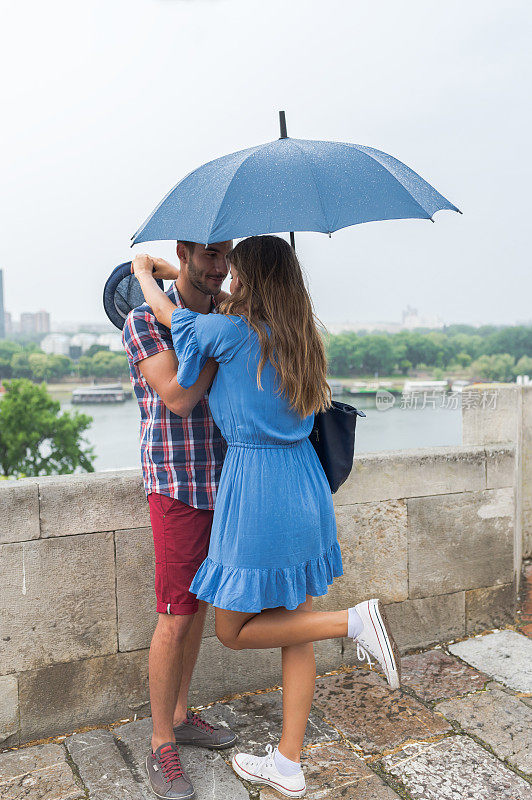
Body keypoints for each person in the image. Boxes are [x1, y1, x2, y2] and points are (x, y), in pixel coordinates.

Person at [133, 235, 401, 799]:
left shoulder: (229, 333)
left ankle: (353, 622)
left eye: (235, 268)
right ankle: (288, 761)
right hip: (305, 482)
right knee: (293, 625)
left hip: (255, 488)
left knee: (232, 630)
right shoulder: (299, 336)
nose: (226, 275)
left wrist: (141, 275)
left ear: (250, 277)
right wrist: (166, 265)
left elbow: (175, 318)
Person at [123, 240, 238, 800]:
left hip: (228, 480)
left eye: (226, 256)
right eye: (209, 256)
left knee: (198, 608)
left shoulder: (225, 314)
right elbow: (177, 395)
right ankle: (160, 743)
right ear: (185, 253)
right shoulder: (145, 320)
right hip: (176, 484)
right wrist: (217, 343)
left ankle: (185, 714)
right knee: (174, 613)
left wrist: (215, 320)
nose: (219, 267)